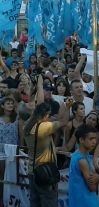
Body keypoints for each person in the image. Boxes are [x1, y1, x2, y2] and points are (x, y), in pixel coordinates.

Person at [24, 75, 72, 207]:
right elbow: (63, 121)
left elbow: (38, 108)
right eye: (48, 115)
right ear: (44, 116)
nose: (49, 117)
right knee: (48, 202)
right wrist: (67, 107)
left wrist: (39, 85)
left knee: (34, 202)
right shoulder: (43, 128)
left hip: (32, 172)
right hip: (45, 173)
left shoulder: (28, 126)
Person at [69, 124, 99, 207]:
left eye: (95, 138)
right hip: (86, 202)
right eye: (91, 139)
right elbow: (92, 188)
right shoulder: (82, 161)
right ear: (81, 140)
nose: (94, 142)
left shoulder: (78, 154)